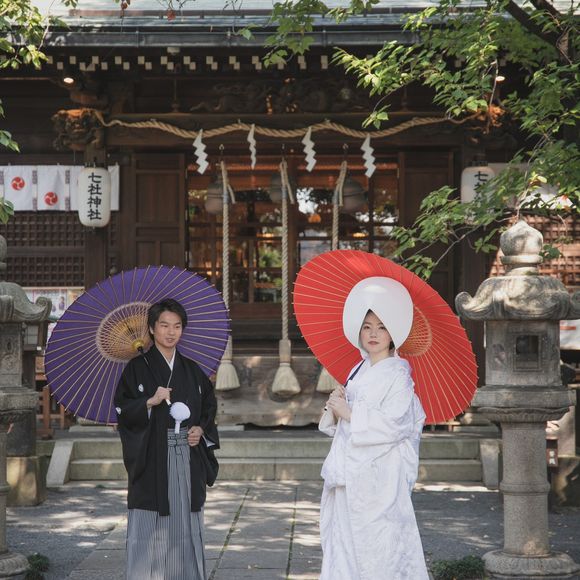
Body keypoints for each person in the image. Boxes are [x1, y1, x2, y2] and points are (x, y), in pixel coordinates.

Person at [318, 277, 429, 580]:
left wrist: (351, 414)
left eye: (381, 327)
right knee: (344, 542)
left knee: (378, 545)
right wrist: (338, 405)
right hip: (350, 469)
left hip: (379, 476)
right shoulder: (359, 369)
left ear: (393, 333)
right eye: (367, 327)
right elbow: (345, 420)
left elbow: (395, 425)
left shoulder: (399, 377)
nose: (373, 333)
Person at [114, 298, 219, 580]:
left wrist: (200, 430)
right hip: (152, 455)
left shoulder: (192, 369)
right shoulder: (137, 368)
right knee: (150, 519)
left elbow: (208, 407)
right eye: (164, 325)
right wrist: (149, 401)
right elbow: (122, 408)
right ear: (151, 328)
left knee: (186, 517)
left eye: (177, 326)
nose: (171, 332)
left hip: (187, 455)